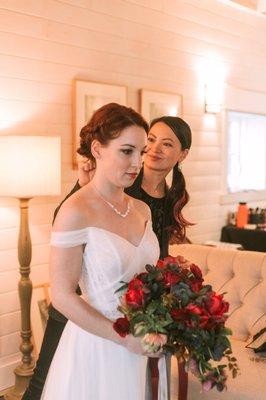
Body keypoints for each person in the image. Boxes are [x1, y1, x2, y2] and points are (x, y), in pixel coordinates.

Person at [23, 112, 192, 400]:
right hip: (98, 341)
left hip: (145, 340)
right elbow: (62, 294)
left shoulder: (142, 209)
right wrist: (125, 339)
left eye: (140, 151)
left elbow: (151, 270)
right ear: (98, 149)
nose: (138, 162)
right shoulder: (76, 210)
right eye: (127, 151)